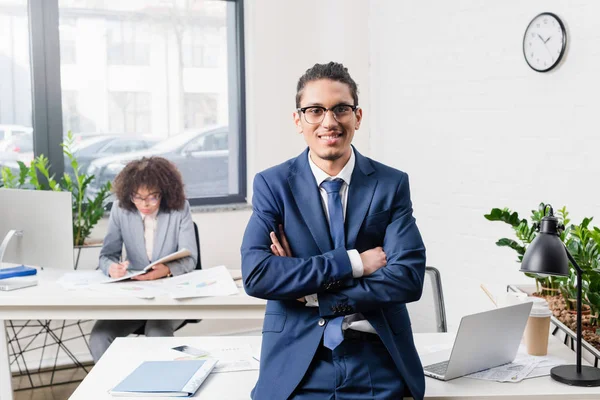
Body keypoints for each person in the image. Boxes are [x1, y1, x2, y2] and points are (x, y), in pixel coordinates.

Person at [241, 62, 426, 399]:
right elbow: (257, 274)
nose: (329, 121)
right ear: (298, 120)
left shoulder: (391, 184)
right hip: (296, 362)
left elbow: (408, 278)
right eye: (315, 110)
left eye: (340, 108)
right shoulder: (272, 185)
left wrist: (313, 294)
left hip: (375, 358)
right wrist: (355, 263)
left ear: (357, 116)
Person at [90, 156, 198, 362]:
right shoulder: (120, 209)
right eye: (137, 197)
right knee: (99, 336)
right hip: (136, 296)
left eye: (152, 197)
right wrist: (112, 267)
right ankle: (114, 389)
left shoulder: (179, 208)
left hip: (170, 295)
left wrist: (166, 269)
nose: (144, 204)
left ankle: (159, 390)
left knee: (157, 333)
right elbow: (106, 255)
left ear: (164, 193)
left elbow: (190, 258)